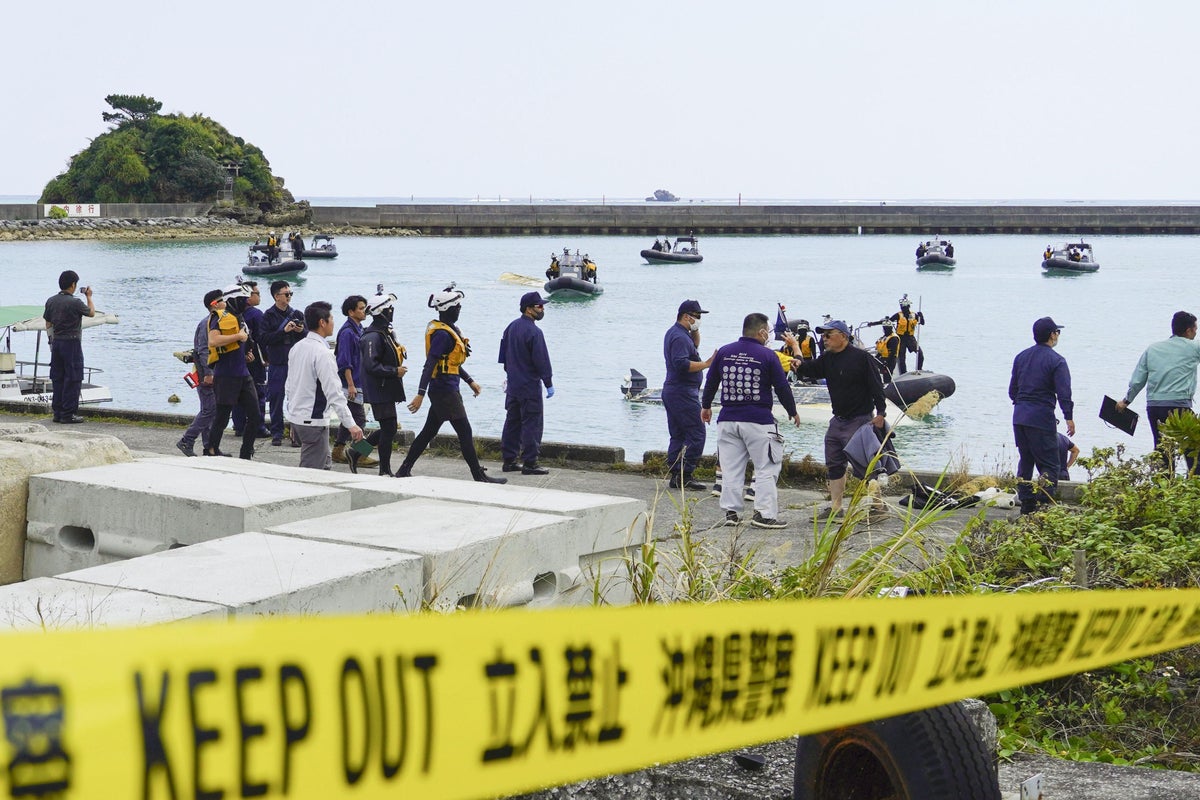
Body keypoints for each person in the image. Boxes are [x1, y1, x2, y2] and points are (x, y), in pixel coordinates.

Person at [394, 284, 506, 484]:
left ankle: (403, 469)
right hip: (444, 391)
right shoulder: (442, 335)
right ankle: (478, 475)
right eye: (457, 307)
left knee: (428, 432)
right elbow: (430, 364)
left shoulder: (449, 330)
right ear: (448, 309)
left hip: (446, 388)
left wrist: (470, 381)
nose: (460, 309)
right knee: (465, 432)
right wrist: (420, 394)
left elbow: (450, 363)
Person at [701, 313, 801, 529]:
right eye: (768, 332)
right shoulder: (768, 355)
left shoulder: (724, 352)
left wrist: (706, 406)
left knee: (731, 469)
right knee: (766, 467)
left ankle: (731, 513)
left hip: (727, 419)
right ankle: (764, 514)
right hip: (758, 420)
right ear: (762, 332)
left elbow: (711, 382)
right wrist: (792, 411)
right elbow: (781, 386)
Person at [794, 320, 889, 518]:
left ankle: (878, 506)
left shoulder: (862, 358)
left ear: (843, 336)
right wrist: (797, 360)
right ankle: (836, 508)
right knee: (834, 463)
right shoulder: (827, 358)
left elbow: (876, 386)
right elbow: (810, 370)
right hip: (838, 419)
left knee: (866, 464)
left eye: (828, 335)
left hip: (860, 419)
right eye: (823, 335)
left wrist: (881, 413)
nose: (824, 339)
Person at [1116, 310, 1200, 473]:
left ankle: (1164, 484)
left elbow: (1138, 380)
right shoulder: (1194, 347)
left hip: (1154, 407)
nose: (1196, 333)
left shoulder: (1153, 349)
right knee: (1194, 450)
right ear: (1189, 330)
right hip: (1179, 407)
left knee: (1162, 450)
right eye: (1195, 329)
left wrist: (1126, 401)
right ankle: (1194, 484)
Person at [284, 301, 364, 469]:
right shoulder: (323, 353)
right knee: (312, 472)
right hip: (313, 421)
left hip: (298, 417)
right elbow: (334, 393)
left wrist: (292, 415)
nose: (333, 323)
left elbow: (289, 385)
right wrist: (351, 425)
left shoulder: (297, 347)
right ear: (322, 322)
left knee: (325, 465)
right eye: (331, 319)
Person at [1009, 317, 1074, 515]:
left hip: (1019, 417)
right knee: (1050, 464)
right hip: (1041, 418)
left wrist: (1023, 404)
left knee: (1026, 460)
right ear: (1052, 335)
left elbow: (1012, 391)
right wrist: (1068, 417)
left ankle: (1027, 505)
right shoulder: (1057, 361)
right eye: (1057, 332)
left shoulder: (1021, 357)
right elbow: (1064, 392)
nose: (1058, 336)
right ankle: (1043, 505)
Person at [351, 289, 408, 476]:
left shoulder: (384, 333)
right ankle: (384, 470)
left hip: (385, 387)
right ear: (380, 312)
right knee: (389, 428)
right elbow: (371, 365)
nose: (392, 312)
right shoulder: (372, 337)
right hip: (379, 388)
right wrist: (394, 371)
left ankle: (356, 452)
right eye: (389, 309)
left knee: (388, 428)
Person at [662, 300, 716, 490]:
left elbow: (694, 345)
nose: (699, 320)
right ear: (686, 316)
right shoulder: (679, 337)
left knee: (678, 434)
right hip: (682, 391)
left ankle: (676, 474)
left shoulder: (679, 333)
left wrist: (695, 329)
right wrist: (707, 364)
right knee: (697, 433)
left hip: (675, 390)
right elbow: (681, 364)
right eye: (697, 316)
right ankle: (685, 474)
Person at [499, 291, 555, 475]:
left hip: (513, 385)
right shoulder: (534, 332)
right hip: (529, 386)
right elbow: (542, 360)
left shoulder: (510, 327)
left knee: (512, 422)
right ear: (529, 309)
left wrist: (512, 374)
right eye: (539, 306)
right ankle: (530, 463)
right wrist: (548, 383)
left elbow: (503, 358)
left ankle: (509, 461)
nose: (542, 309)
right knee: (532, 423)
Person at [205, 283, 260, 459]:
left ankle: (246, 452)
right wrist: (238, 336)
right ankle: (211, 449)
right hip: (226, 375)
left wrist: (247, 354)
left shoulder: (240, 318)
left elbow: (242, 343)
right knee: (222, 417)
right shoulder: (219, 317)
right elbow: (213, 341)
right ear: (233, 300)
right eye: (243, 299)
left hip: (243, 373)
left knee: (255, 415)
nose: (246, 302)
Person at [43, 269, 95, 424]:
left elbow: (48, 323)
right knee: (73, 378)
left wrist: (53, 340)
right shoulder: (75, 302)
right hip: (72, 343)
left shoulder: (51, 301)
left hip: (57, 343)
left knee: (58, 377)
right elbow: (91, 313)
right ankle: (68, 414)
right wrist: (89, 297)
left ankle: (58, 412)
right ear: (73, 285)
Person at [331, 294, 376, 469]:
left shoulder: (359, 329)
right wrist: (350, 384)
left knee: (348, 417)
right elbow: (344, 361)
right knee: (359, 418)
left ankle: (338, 450)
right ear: (351, 312)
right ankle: (360, 454)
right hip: (350, 383)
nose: (365, 311)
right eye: (361, 308)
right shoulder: (347, 333)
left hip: (359, 381)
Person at [261, 280, 307, 446]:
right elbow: (263, 339)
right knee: (276, 397)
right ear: (276, 296)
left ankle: (296, 435)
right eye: (286, 294)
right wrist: (283, 331)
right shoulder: (268, 316)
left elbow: (308, 336)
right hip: (277, 362)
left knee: (297, 399)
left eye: (290, 294)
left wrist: (301, 331)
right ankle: (277, 433)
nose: (289, 297)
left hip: (295, 363)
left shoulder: (297, 314)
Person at [177, 289, 221, 456]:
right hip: (205, 374)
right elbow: (203, 350)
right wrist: (208, 373)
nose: (225, 303)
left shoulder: (214, 322)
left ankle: (209, 447)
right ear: (214, 304)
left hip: (212, 372)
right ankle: (187, 440)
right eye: (222, 300)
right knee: (209, 410)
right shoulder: (207, 324)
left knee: (211, 410)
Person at [231, 280, 268, 439]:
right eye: (257, 293)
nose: (259, 296)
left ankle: (239, 426)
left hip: (237, 360)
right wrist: (266, 358)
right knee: (258, 394)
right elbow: (262, 339)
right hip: (255, 360)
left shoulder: (231, 315)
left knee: (238, 394)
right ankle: (258, 427)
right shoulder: (256, 314)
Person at [888, 294, 925, 373]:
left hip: (910, 338)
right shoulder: (898, 315)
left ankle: (919, 369)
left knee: (920, 354)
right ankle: (903, 372)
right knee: (902, 357)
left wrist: (921, 316)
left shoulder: (913, 315)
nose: (904, 308)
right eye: (902, 307)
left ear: (909, 306)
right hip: (901, 338)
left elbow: (922, 322)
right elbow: (890, 321)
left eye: (905, 307)